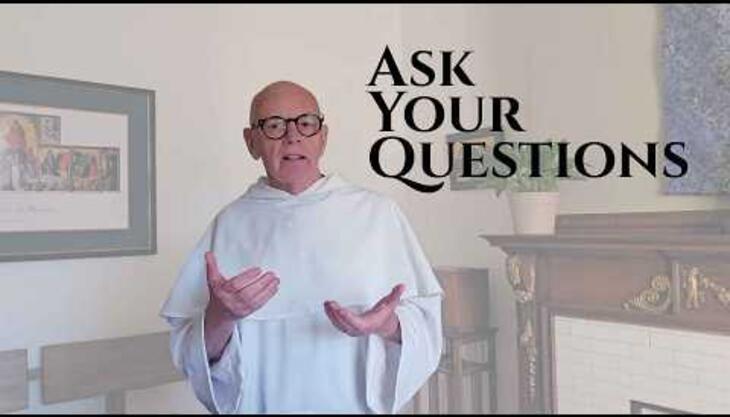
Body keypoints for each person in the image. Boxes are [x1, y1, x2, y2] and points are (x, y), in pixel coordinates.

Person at [160, 81, 444, 414]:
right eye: (274, 126)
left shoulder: (378, 214)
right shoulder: (229, 225)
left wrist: (387, 325)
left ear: (323, 137)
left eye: (306, 123)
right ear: (251, 142)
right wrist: (221, 317)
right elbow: (192, 357)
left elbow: (425, 329)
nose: (292, 136)